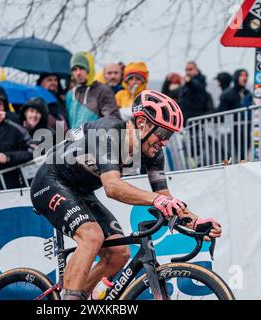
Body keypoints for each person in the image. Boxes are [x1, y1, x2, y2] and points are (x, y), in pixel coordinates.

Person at [30, 90, 222, 300]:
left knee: (119, 254)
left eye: (170, 136)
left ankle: (78, 296)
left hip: (80, 190)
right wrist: (158, 200)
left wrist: (196, 223)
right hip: (50, 181)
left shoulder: (153, 153)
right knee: (92, 236)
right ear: (142, 123)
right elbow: (112, 187)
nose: (165, 142)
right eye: (163, 134)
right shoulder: (110, 130)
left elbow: (166, 197)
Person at [65, 52, 121, 129]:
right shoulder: (70, 94)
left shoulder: (102, 90)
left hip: (95, 139)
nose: (78, 73)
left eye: (82, 68)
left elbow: (113, 120)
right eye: (74, 69)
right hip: (74, 140)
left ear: (89, 68)